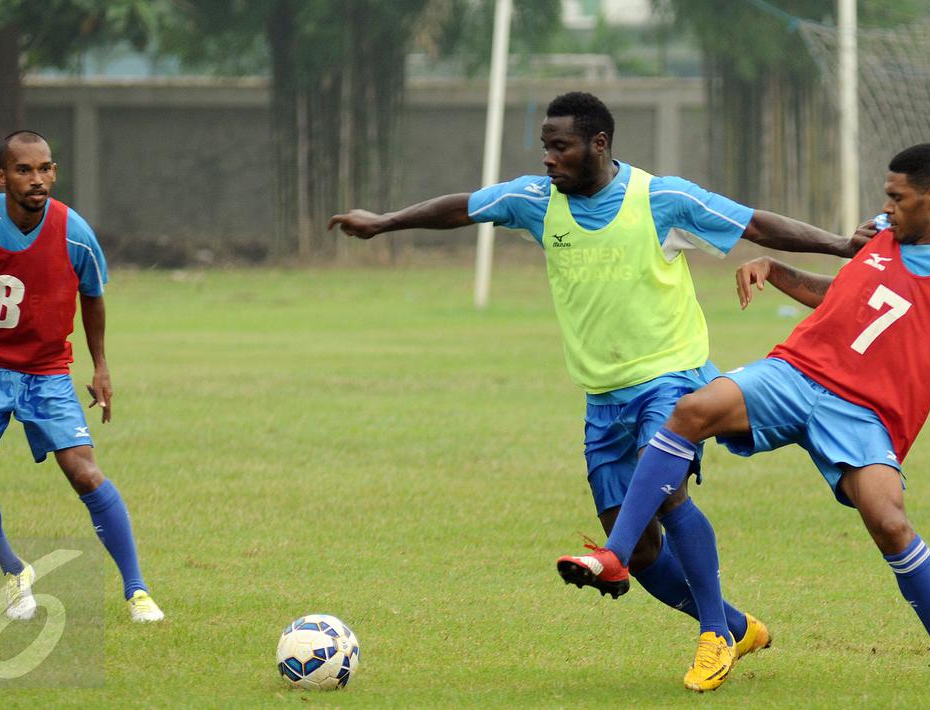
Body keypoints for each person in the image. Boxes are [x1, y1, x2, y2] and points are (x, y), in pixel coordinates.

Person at [329, 92, 867, 688]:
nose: (548, 159)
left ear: (599, 144)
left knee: (667, 494)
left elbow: (755, 223)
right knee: (641, 552)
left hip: (672, 379)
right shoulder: (537, 201)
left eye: (560, 147)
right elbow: (463, 208)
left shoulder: (660, 199)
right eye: (545, 147)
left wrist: (841, 245)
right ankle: (737, 625)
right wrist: (385, 222)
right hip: (603, 397)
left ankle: (714, 635)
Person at [559, 144, 930, 696]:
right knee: (692, 410)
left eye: (897, 197)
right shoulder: (884, 234)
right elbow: (846, 297)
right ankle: (617, 554)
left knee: (889, 522)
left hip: (864, 414)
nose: (886, 207)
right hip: (796, 374)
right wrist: (775, 268)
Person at [0, 130, 164, 623]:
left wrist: (100, 366)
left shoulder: (73, 231)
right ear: (2, 177)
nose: (37, 179)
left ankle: (137, 591)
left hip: (46, 371)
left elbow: (93, 296)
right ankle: (15, 571)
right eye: (24, 170)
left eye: (45, 168)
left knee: (84, 472)